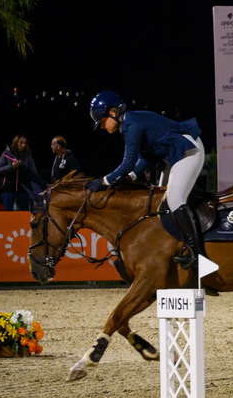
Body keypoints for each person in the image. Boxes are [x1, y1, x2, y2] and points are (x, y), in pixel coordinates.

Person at [87, 90, 207, 268]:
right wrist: (132, 176)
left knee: (174, 200)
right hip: (175, 155)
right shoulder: (130, 123)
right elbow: (145, 157)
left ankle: (197, 255)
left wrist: (104, 181)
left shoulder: (132, 124)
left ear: (113, 112)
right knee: (160, 202)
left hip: (188, 150)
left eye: (102, 121)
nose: (102, 126)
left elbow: (128, 162)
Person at [0, 135, 43, 211]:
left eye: (25, 143)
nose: (23, 145)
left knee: (24, 214)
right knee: (7, 214)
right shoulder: (6, 154)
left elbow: (34, 173)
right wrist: (11, 166)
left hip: (23, 190)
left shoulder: (27, 155)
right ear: (16, 143)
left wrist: (42, 185)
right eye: (21, 142)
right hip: (8, 190)